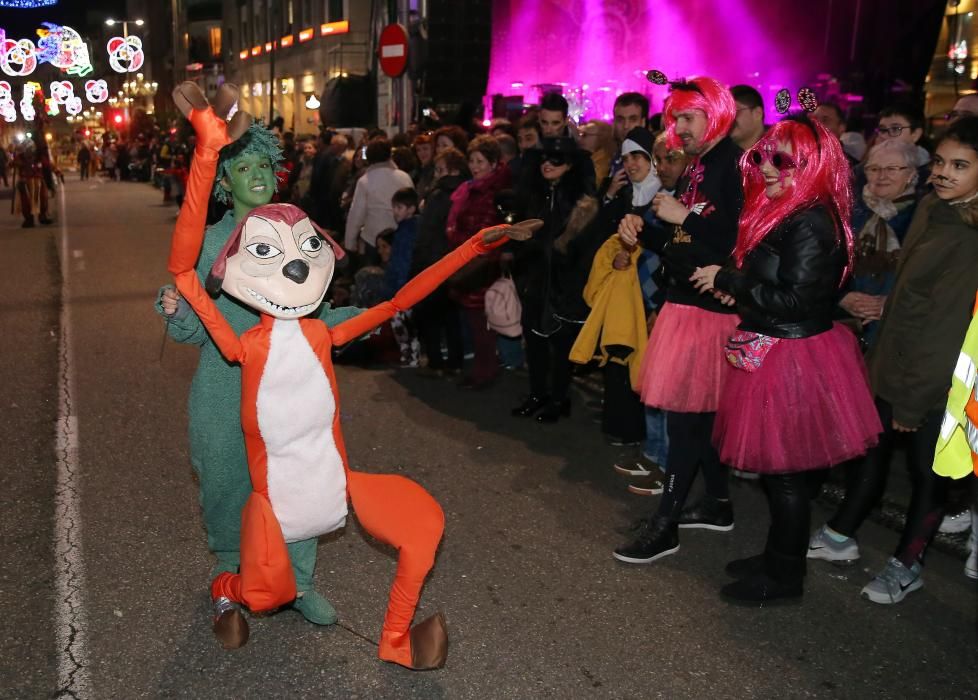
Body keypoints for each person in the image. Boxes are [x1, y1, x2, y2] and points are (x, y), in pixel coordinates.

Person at [156, 123, 362, 627]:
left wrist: (356, 320)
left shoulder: (301, 228)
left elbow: (317, 312)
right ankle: (232, 573)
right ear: (224, 180)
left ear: (278, 173)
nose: (256, 176)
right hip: (225, 382)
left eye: (264, 166)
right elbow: (189, 331)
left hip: (289, 383)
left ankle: (300, 583)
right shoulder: (209, 243)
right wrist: (176, 312)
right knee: (226, 480)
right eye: (243, 168)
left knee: (299, 482)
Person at [689, 115, 882, 603]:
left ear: (812, 164)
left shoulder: (811, 220)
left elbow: (797, 301)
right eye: (762, 157)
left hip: (793, 356)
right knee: (781, 479)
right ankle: (778, 557)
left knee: (788, 478)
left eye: (782, 160)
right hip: (778, 345)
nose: (767, 168)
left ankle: (785, 577)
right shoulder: (794, 213)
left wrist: (729, 281)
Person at [808, 116, 978, 604]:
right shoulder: (932, 207)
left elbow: (945, 330)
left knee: (928, 475)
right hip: (891, 359)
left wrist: (913, 400)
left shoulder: (969, 237)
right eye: (942, 162)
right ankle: (843, 533)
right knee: (871, 450)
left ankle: (908, 563)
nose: (944, 172)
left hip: (932, 380)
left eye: (960, 165)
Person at [612, 76, 744, 564]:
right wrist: (642, 231)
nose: (679, 128)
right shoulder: (697, 169)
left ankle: (665, 525)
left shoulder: (736, 167)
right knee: (698, 419)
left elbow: (738, 244)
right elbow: (682, 244)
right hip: (686, 305)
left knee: (688, 423)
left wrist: (683, 217)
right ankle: (718, 502)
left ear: (717, 113)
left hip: (709, 313)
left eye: (688, 118)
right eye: (675, 119)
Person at [570, 128, 662, 454]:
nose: (632, 163)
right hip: (621, 294)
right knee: (619, 359)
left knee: (643, 364)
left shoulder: (661, 198)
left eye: (639, 155)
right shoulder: (627, 194)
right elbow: (599, 236)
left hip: (650, 295)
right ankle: (622, 429)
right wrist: (608, 197)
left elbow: (663, 250)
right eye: (626, 157)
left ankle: (647, 442)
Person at [511, 136, 598, 422]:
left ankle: (559, 399)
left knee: (561, 347)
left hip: (564, 285)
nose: (546, 164)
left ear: (570, 164)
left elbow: (581, 250)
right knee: (534, 340)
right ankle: (538, 394)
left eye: (555, 159)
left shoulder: (580, 203)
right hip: (536, 281)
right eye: (543, 158)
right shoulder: (536, 194)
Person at [444, 135, 512, 389]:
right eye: (472, 160)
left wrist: (456, 235)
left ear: (493, 163)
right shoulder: (474, 187)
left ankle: (486, 371)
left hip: (482, 266)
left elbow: (485, 233)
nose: (475, 166)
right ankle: (482, 370)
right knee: (475, 322)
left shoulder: (492, 193)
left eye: (480, 161)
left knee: (483, 324)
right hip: (471, 263)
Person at [838, 139, 920, 342]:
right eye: (874, 169)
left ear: (910, 174)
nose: (882, 176)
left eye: (892, 169)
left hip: (900, 329)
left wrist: (890, 304)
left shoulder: (923, 216)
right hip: (845, 325)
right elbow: (823, 265)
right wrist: (842, 298)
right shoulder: (846, 211)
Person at [413, 147, 467, 376]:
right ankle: (455, 361)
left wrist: (419, 262)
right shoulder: (466, 190)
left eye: (440, 169)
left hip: (434, 259)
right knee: (450, 314)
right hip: (454, 258)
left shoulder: (440, 193)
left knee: (431, 314)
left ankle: (436, 361)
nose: (437, 173)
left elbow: (427, 231)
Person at [343, 137, 414, 264]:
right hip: (400, 236)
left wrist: (350, 244)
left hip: (373, 238)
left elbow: (356, 215)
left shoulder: (365, 180)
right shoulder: (404, 177)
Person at [729, 85, 766, 151]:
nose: (729, 119)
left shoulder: (780, 151)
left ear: (757, 113)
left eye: (735, 112)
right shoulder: (721, 156)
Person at [579, 120, 615, 185]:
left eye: (584, 135)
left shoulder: (603, 164)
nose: (580, 138)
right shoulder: (587, 158)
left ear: (601, 137)